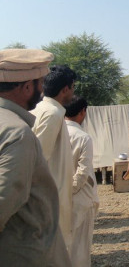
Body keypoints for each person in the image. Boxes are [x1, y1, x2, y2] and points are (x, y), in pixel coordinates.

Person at [0, 49, 71, 266]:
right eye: (40, 83)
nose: (43, 90)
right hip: (25, 251)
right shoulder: (17, 132)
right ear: (27, 86)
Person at [31, 64, 77, 250]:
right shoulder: (52, 113)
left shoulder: (44, 109)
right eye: (73, 87)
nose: (73, 92)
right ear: (65, 89)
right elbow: (37, 158)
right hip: (50, 196)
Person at [65, 96, 99, 267]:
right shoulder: (83, 137)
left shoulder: (56, 131)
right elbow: (83, 171)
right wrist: (70, 189)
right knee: (80, 247)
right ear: (82, 112)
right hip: (80, 196)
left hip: (58, 195)